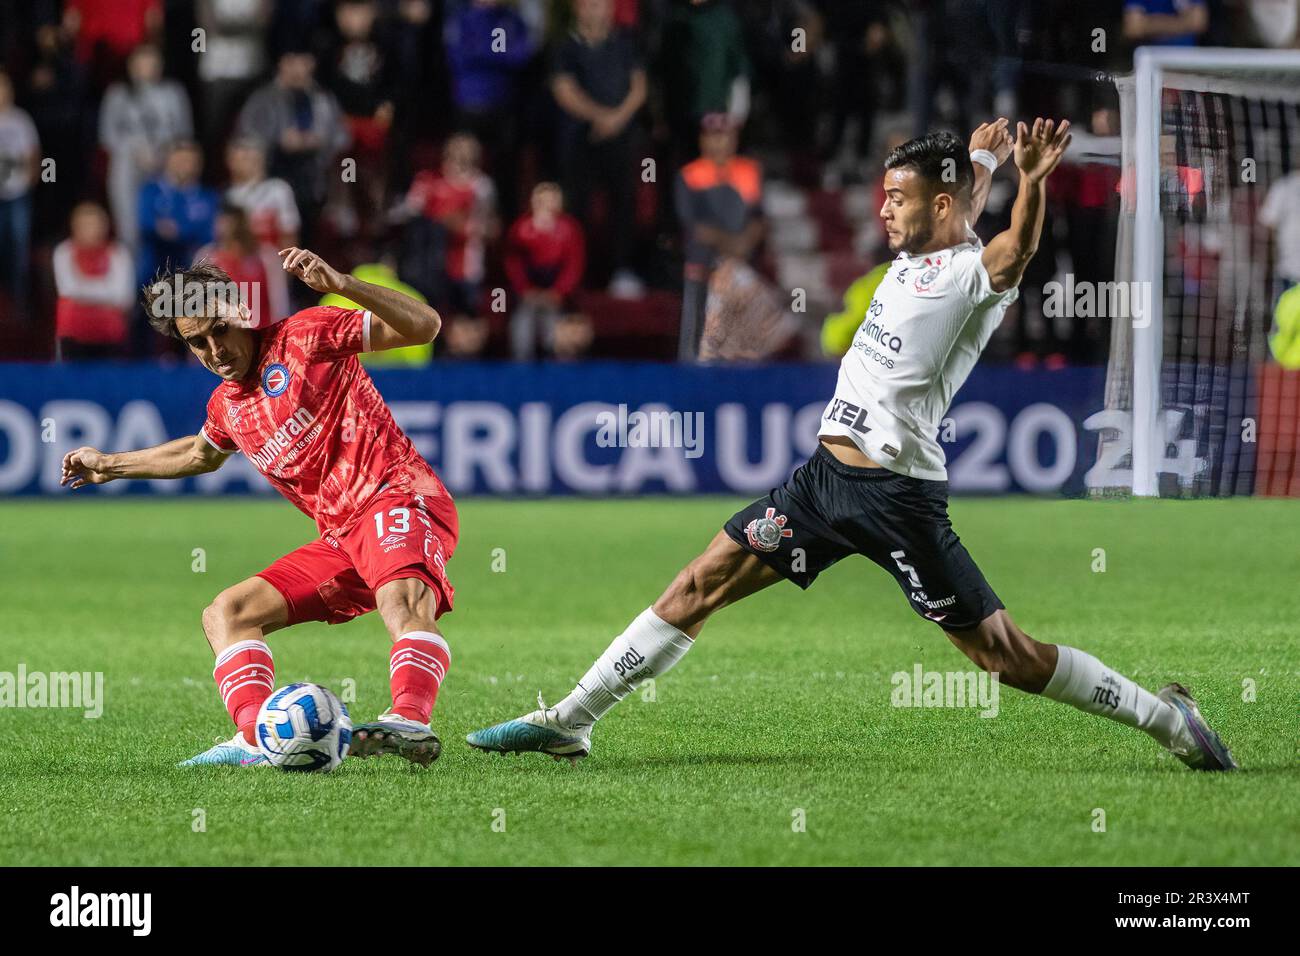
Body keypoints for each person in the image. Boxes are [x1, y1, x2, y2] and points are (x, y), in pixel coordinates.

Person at [466, 119, 1239, 774]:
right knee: (698, 584)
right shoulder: (923, 249)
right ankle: (572, 718)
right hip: (821, 485)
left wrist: (1027, 179)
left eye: (897, 198)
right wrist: (985, 160)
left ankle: (1167, 719)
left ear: (937, 205)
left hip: (898, 499)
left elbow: (1014, 252)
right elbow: (957, 200)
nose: (883, 208)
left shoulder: (972, 274)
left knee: (1005, 657)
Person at [61, 250, 457, 768]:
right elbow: (199, 454)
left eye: (219, 330)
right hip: (342, 537)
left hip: (398, 495)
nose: (214, 350)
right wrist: (108, 464)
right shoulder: (227, 403)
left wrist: (342, 283)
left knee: (400, 602)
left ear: (240, 311)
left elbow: (424, 327)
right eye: (196, 342)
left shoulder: (306, 336)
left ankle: (409, 720)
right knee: (227, 614)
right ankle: (257, 739)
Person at [550, 0, 646, 296]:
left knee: (624, 204)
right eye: (589, 4)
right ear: (577, 8)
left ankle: (622, 270)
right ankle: (576, 274)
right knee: (577, 207)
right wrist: (600, 116)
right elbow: (564, 90)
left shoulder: (626, 43)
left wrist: (617, 119)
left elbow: (639, 87)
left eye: (602, 4)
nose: (596, 10)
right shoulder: (564, 48)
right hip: (579, 139)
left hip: (621, 139)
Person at [673, 113, 764, 360]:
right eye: (713, 137)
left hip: (741, 264)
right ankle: (690, 370)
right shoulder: (690, 174)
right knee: (696, 329)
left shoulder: (748, 170)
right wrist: (734, 245)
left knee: (745, 336)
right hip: (703, 265)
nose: (720, 142)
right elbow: (695, 226)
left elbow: (757, 218)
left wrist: (743, 247)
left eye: (725, 136)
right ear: (703, 140)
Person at [99, 43, 194, 250]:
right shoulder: (117, 93)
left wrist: (165, 154)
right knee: (129, 225)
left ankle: (173, 275)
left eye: (153, 62)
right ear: (131, 65)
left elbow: (184, 135)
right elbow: (107, 136)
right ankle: (134, 275)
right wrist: (135, 149)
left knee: (168, 226)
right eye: (142, 61)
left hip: (166, 165)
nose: (148, 67)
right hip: (128, 164)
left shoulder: (174, 92)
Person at [505, 182, 586, 360]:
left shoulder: (569, 229)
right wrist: (524, 288)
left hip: (557, 292)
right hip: (529, 290)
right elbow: (514, 263)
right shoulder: (521, 228)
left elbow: (573, 264)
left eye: (551, 200)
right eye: (541, 200)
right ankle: (521, 361)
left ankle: (558, 360)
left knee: (556, 324)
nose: (546, 205)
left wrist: (559, 291)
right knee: (522, 320)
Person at [52, 202, 135, 359]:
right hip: (73, 333)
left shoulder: (118, 254)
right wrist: (106, 293)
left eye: (96, 224)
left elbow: (124, 298)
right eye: (86, 225)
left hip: (109, 333)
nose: (92, 230)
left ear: (106, 226)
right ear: (74, 227)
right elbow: (68, 290)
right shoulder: (63, 252)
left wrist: (83, 291)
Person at [0, 70, 39, 317]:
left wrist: (30, 180)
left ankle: (18, 306)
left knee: (19, 250)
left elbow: (34, 155)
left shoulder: (20, 119)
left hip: (17, 193)